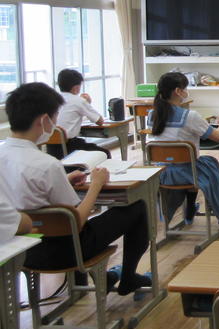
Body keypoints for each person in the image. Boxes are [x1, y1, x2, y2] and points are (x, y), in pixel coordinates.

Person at [0, 83, 150, 295]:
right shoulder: (47, 165)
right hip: (64, 251)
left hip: (21, 251)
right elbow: (77, 221)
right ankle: (129, 277)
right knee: (136, 208)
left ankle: (107, 278)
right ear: (44, 120)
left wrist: (64, 179)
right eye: (55, 117)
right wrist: (96, 185)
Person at [147, 72, 219, 225]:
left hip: (161, 173)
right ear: (178, 91)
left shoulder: (152, 115)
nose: (186, 91)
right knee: (208, 164)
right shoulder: (190, 116)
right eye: (185, 88)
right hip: (187, 172)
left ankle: (190, 208)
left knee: (199, 164)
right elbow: (217, 137)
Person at [46, 68, 110, 160]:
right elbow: (100, 121)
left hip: (51, 149)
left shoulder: (52, 100)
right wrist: (87, 103)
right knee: (104, 153)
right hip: (70, 148)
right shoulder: (78, 101)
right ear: (76, 88)